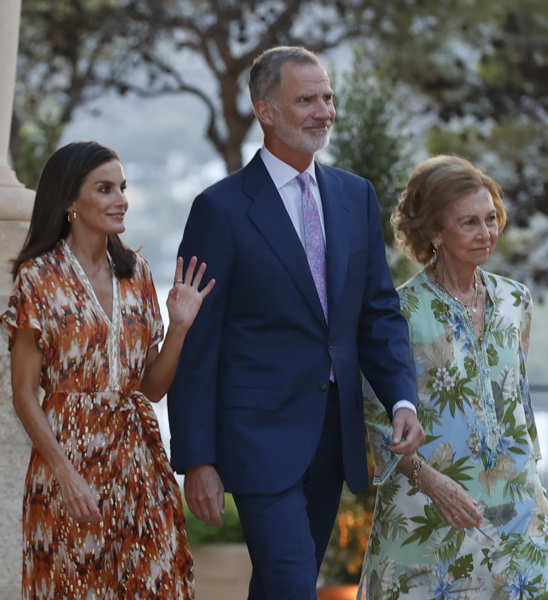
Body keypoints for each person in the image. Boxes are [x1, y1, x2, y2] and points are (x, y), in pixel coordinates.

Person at [167, 45, 425, 599]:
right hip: (256, 440)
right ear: (266, 111)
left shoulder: (355, 197)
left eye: (327, 97)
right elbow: (199, 343)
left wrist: (403, 398)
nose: (323, 110)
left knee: (288, 583)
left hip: (333, 437)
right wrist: (196, 459)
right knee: (289, 583)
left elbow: (378, 313)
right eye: (305, 99)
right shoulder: (221, 209)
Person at [2, 141, 215, 599]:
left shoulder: (136, 272)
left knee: (155, 585)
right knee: (76, 588)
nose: (121, 199)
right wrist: (64, 473)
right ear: (69, 203)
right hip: (68, 464)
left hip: (137, 460)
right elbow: (23, 393)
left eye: (122, 187)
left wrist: (179, 328)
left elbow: (152, 389)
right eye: (105, 189)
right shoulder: (38, 279)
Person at [358, 155, 548, 599]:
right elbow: (378, 422)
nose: (486, 233)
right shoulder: (399, 313)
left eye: (491, 219)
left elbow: (515, 403)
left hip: (514, 515)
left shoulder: (515, 301)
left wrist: (534, 494)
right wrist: (432, 483)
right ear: (435, 231)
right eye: (469, 222)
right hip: (428, 512)